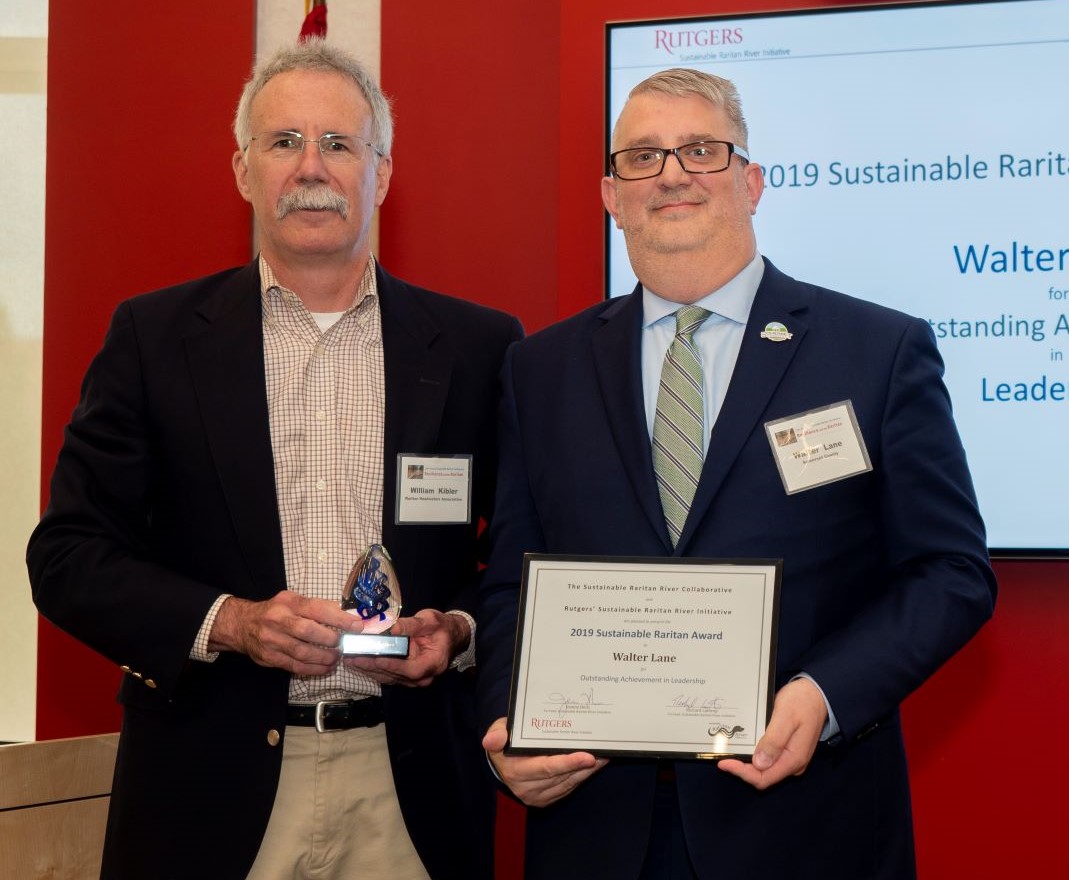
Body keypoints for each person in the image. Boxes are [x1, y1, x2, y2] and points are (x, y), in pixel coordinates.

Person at [476, 68, 996, 879]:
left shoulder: (876, 353)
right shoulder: (540, 370)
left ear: (751, 183)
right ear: (610, 196)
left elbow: (950, 573)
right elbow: (509, 581)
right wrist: (509, 723)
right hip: (595, 830)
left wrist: (824, 695)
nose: (673, 173)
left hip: (804, 821)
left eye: (700, 150)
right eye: (642, 156)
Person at [28, 39, 521, 880]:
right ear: (242, 170)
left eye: (339, 143)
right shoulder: (153, 340)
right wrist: (234, 622)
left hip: (410, 791)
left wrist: (459, 629)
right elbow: (69, 556)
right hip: (207, 786)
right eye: (283, 141)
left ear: (383, 172)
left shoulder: (478, 347)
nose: (310, 167)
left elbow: (515, 552)